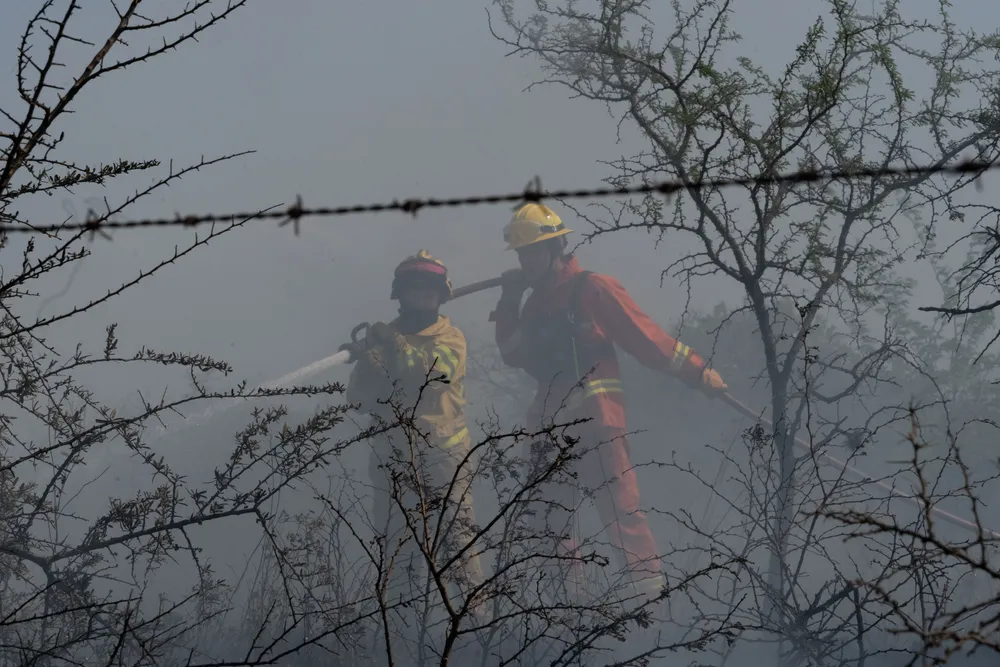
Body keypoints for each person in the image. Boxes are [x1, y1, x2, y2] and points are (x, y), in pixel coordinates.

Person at [489, 203, 728, 606]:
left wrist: (696, 371)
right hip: (547, 427)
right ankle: (565, 610)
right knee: (548, 520)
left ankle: (649, 606)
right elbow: (513, 353)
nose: (526, 261)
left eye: (533, 251)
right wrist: (509, 301)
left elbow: (645, 339)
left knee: (621, 512)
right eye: (521, 254)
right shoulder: (532, 304)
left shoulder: (592, 288)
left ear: (556, 247)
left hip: (596, 421)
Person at [341, 250, 484, 616]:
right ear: (400, 295)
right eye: (414, 290)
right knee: (397, 555)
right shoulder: (383, 343)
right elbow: (357, 400)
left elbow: (432, 375)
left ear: (441, 295)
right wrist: (371, 366)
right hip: (391, 464)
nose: (423, 298)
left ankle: (475, 630)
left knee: (457, 549)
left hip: (443, 462)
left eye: (429, 290)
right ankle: (400, 636)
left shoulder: (450, 338)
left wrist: (391, 348)